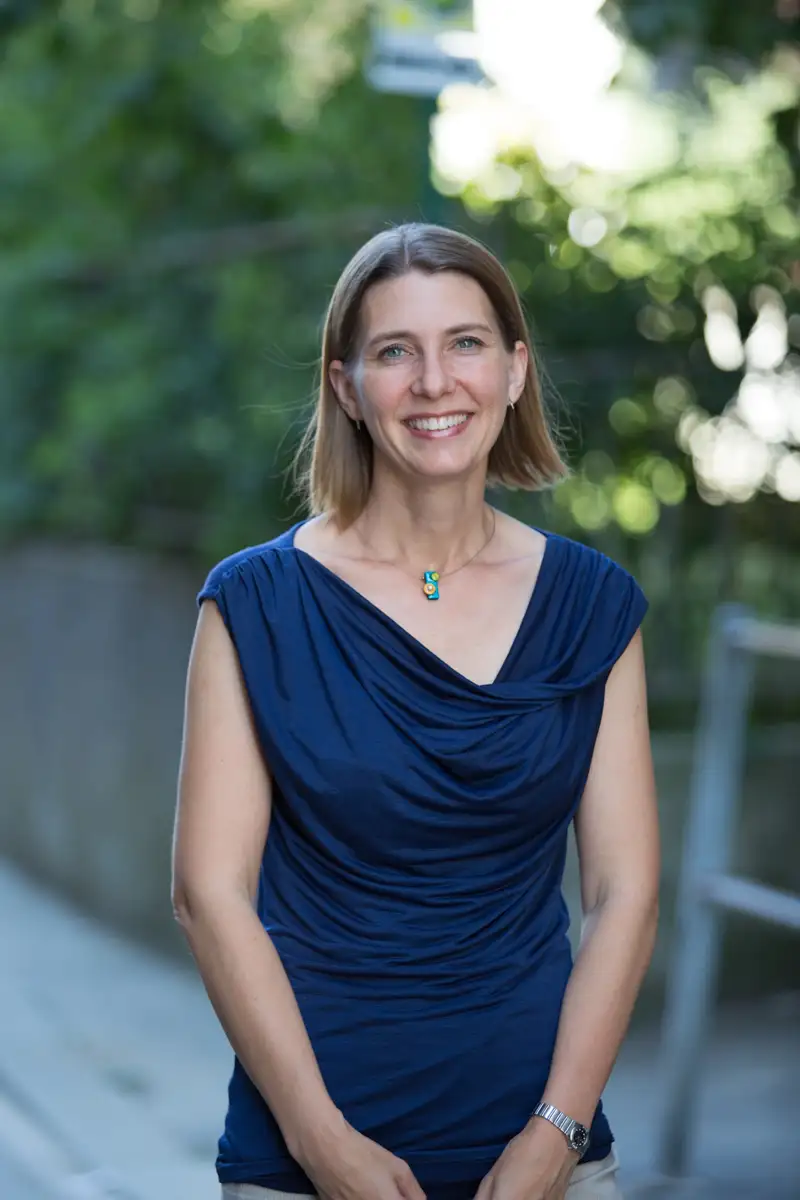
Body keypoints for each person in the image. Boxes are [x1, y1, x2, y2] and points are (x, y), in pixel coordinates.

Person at [172, 223, 660, 1200]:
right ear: (346, 385)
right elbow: (206, 895)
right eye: (396, 351)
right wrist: (319, 1145)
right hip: (303, 1165)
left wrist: (554, 1138)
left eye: (466, 344)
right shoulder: (255, 602)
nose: (435, 381)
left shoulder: (593, 605)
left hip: (543, 1161)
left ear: (515, 372)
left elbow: (624, 893)